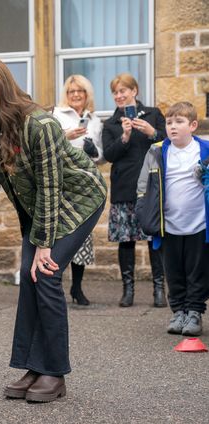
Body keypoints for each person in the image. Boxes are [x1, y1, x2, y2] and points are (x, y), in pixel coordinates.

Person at [0, 57, 106, 403]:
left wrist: (44, 245)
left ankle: (54, 373)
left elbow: (52, 187)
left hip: (79, 200)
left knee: (46, 273)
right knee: (29, 273)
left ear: (1, 88)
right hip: (41, 209)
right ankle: (33, 366)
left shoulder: (39, 124)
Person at [136, 101, 209, 336]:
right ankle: (178, 311)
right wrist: (141, 209)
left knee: (197, 271)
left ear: (193, 125)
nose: (173, 127)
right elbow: (143, 185)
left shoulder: (204, 150)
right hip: (168, 226)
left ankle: (194, 313)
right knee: (173, 271)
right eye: (169, 122)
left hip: (198, 225)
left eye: (179, 122)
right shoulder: (157, 150)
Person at [102, 73, 167, 308]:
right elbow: (108, 155)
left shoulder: (153, 114)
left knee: (154, 240)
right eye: (116, 92)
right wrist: (125, 136)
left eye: (123, 91)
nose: (119, 96)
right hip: (124, 187)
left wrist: (152, 133)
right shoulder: (110, 123)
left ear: (134, 91)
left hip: (151, 187)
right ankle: (127, 290)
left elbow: (167, 144)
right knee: (126, 241)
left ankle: (159, 290)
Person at [52, 74, 104, 306]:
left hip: (85, 183)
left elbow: (101, 157)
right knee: (59, 232)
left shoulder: (95, 120)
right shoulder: (56, 115)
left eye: (80, 91)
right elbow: (48, 144)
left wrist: (94, 151)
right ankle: (55, 285)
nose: (75, 95)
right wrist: (67, 136)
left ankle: (77, 287)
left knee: (82, 235)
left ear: (86, 95)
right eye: (71, 91)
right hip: (64, 181)